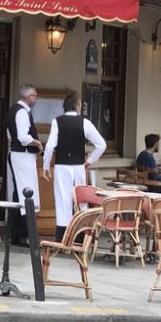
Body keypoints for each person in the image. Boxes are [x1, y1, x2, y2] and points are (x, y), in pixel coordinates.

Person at [42, 92, 107, 242]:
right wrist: (90, 160)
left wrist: (46, 165)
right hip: (79, 166)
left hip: (62, 166)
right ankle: (81, 235)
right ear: (77, 106)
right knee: (81, 199)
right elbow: (101, 144)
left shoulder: (57, 121)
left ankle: (62, 236)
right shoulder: (84, 122)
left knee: (62, 199)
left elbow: (50, 146)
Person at [6, 84, 43, 247]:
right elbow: (22, 137)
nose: (36, 98)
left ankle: (16, 233)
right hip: (22, 155)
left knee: (19, 194)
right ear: (28, 97)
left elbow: (9, 134)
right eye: (35, 96)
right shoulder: (21, 112)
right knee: (27, 193)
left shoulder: (13, 110)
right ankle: (23, 234)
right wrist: (37, 143)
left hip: (18, 154)